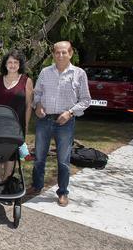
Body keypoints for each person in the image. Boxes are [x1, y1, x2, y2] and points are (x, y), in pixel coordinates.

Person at [28, 41, 91, 207]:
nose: (60, 55)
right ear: (53, 54)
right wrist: (38, 105)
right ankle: (36, 186)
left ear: (70, 53)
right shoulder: (45, 72)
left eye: (64, 52)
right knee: (39, 157)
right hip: (44, 120)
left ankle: (63, 192)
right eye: (57, 52)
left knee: (63, 160)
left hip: (66, 121)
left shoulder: (79, 74)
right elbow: (37, 94)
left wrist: (70, 112)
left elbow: (86, 100)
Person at [0, 50, 34, 184]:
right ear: (5, 64)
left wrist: (26, 126)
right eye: (9, 62)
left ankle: (6, 181)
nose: (12, 65)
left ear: (20, 64)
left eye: (16, 62)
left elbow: (28, 106)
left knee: (11, 155)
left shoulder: (26, 81)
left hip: (16, 126)